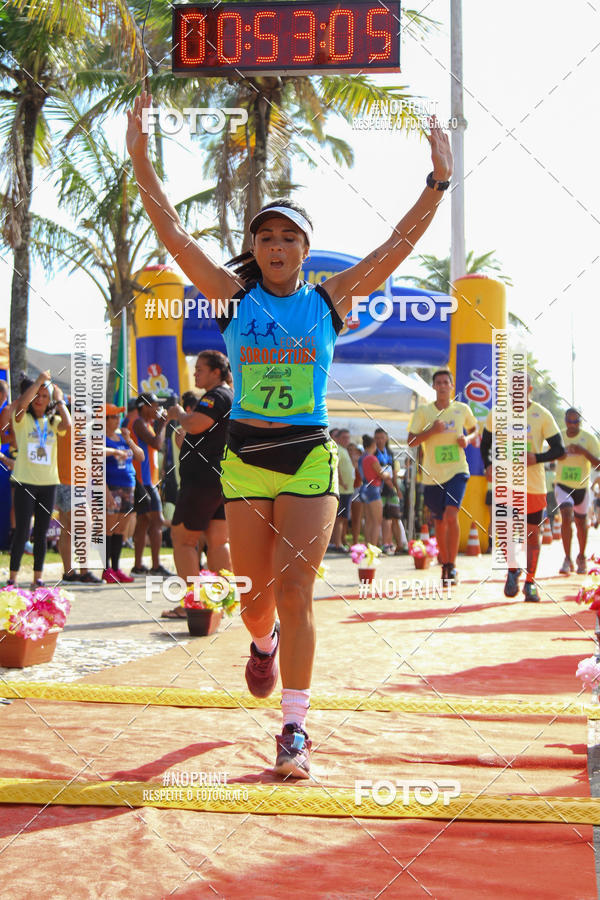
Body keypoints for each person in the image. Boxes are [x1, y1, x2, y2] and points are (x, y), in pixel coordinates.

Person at [127, 89, 452, 777]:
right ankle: (263, 643)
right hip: (245, 457)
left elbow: (400, 243)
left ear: (306, 250)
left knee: (300, 589)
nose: (276, 246)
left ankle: (295, 730)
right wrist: (140, 159)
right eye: (265, 236)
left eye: (289, 237)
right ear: (253, 249)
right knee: (254, 600)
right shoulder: (232, 298)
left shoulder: (331, 301)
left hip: (307, 454)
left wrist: (438, 180)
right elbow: (174, 235)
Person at [161, 351, 233, 618]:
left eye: (200, 369)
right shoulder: (227, 395)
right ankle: (220, 600)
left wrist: (180, 414)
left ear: (216, 371)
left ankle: (193, 604)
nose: (195, 373)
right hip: (217, 476)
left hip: (203, 478)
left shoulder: (217, 396)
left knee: (183, 539)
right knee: (217, 540)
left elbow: (197, 424)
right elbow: (201, 431)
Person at [481, 375, 564, 601]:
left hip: (533, 486)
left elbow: (559, 449)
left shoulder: (541, 415)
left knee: (531, 535)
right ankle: (512, 570)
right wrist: (488, 465)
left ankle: (530, 583)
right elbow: (484, 444)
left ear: (529, 389)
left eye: (521, 387)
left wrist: (536, 457)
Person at [408, 369, 477, 585]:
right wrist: (431, 431)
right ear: (434, 386)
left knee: (450, 515)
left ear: (452, 385)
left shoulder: (461, 409)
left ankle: (452, 566)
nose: (443, 386)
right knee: (439, 522)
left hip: (457, 470)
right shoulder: (424, 412)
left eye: (446, 382)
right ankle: (445, 564)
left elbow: (476, 431)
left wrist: (468, 439)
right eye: (438, 382)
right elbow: (411, 441)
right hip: (432, 475)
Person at [8, 372, 70, 587]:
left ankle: (37, 577)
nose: (40, 399)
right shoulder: (23, 419)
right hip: (25, 481)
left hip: (48, 483)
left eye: (44, 396)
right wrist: (38, 382)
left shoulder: (53, 421)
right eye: (37, 396)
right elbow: (21, 405)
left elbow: (68, 425)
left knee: (42, 533)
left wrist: (60, 399)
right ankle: (13, 577)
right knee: (23, 531)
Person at [55, 407, 102, 584]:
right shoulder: (66, 428)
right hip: (68, 483)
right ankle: (84, 571)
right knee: (85, 526)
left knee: (67, 529)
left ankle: (69, 573)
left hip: (72, 483)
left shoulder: (77, 432)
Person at [131, 392, 171, 577]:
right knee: (156, 522)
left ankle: (138, 565)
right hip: (144, 481)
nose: (157, 409)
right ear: (144, 407)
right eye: (154, 405)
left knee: (143, 521)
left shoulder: (146, 424)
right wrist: (163, 423)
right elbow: (156, 444)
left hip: (149, 481)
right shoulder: (139, 423)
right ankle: (155, 565)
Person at [555, 408, 600, 575]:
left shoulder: (589, 439)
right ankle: (567, 558)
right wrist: (558, 454)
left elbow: (598, 465)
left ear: (581, 422)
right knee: (566, 516)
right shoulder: (558, 437)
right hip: (562, 485)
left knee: (581, 523)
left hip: (581, 487)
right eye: (570, 421)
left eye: (576, 422)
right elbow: (549, 455)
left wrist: (583, 452)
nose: (573, 425)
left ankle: (581, 557)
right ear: (565, 421)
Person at [105, 403, 145, 583]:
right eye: (113, 417)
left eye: (117, 417)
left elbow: (140, 456)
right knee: (109, 529)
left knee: (121, 530)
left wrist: (129, 439)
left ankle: (116, 568)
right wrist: (105, 491)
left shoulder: (122, 438)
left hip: (128, 486)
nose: (117, 420)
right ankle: (106, 569)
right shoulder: (101, 439)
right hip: (112, 486)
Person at [374, 427, 407, 553]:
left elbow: (393, 472)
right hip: (379, 489)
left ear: (386, 438)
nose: (379, 441)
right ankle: (383, 544)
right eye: (377, 438)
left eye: (382, 438)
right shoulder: (374, 453)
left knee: (395, 517)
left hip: (391, 490)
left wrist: (397, 489)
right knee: (381, 518)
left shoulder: (390, 452)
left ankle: (399, 545)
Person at [359, 434, 394, 546]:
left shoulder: (362, 458)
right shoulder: (372, 458)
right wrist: (388, 473)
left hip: (364, 488)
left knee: (369, 521)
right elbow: (382, 474)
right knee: (377, 522)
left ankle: (368, 545)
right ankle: (373, 548)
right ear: (373, 445)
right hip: (373, 489)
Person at [329, 428, 353, 552]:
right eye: (344, 437)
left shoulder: (344, 450)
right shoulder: (337, 449)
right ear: (338, 438)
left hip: (347, 490)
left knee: (343, 518)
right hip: (342, 490)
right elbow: (336, 466)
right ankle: (337, 544)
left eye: (348, 437)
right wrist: (341, 482)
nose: (347, 440)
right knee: (339, 517)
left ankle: (339, 541)